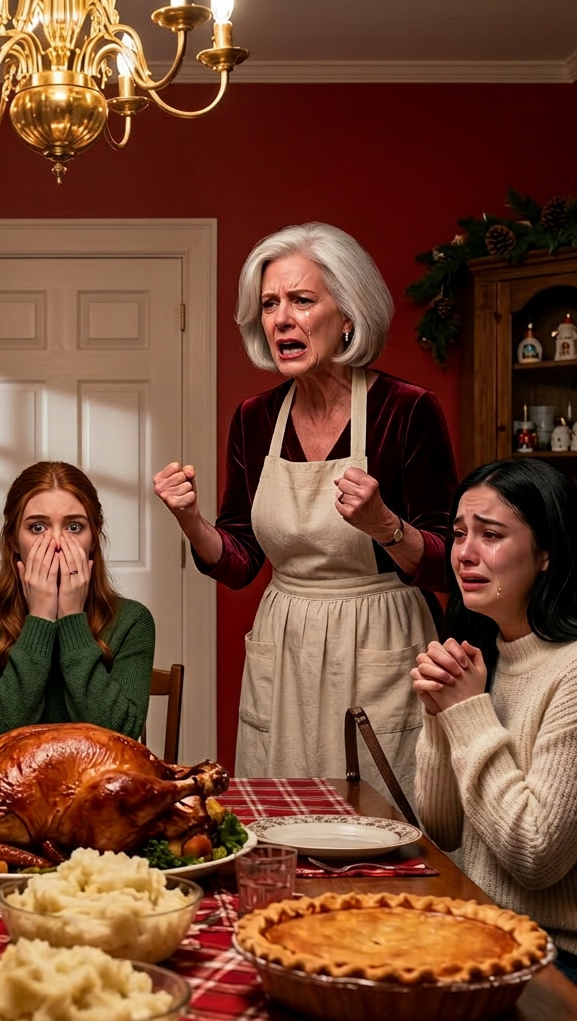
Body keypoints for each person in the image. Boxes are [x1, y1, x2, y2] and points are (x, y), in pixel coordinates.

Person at [154, 223, 456, 797]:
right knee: (279, 813)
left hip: (380, 640)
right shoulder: (254, 418)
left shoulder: (407, 410)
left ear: (348, 315)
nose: (280, 319)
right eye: (269, 304)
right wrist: (191, 521)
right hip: (285, 642)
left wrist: (385, 527)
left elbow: (448, 565)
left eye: (301, 300)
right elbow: (241, 562)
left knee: (384, 817)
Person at [413, 459, 577, 985]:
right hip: (482, 927)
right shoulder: (487, 655)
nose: (464, 553)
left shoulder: (570, 672)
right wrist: (441, 716)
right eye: (459, 533)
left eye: (492, 535)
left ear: (547, 552)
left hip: (554, 959)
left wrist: (465, 712)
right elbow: (443, 829)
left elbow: (535, 856)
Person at [0, 461, 155, 750]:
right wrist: (40, 618)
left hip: (99, 790)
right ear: (13, 539)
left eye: (74, 527)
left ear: (93, 538)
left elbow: (119, 740)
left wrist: (73, 618)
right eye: (37, 527)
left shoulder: (132, 620)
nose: (57, 543)